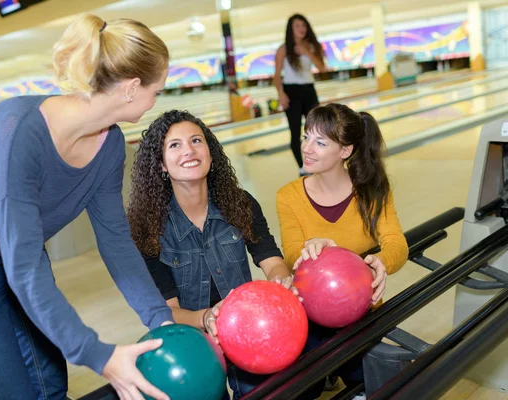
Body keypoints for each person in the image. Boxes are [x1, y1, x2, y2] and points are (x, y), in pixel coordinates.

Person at [0, 15, 176, 400]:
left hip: (13, 255)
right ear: (132, 88)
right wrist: (99, 355)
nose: (157, 100)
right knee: (14, 393)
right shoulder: (19, 133)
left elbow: (117, 243)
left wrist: (160, 321)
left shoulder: (110, 147)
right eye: (158, 90)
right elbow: (24, 266)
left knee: (50, 382)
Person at [127, 110, 297, 399]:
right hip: (193, 341)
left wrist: (281, 281)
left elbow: (273, 262)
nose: (189, 150)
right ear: (161, 164)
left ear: (210, 151)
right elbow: (167, 312)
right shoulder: (148, 229)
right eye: (175, 145)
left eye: (196, 140)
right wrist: (207, 318)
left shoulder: (240, 204)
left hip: (248, 327)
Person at [276, 103, 409, 398]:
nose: (307, 148)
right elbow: (291, 253)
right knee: (298, 388)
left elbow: (397, 244)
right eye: (306, 137)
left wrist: (379, 262)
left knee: (377, 383)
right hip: (310, 310)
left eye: (321, 142)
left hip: (359, 308)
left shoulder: (372, 190)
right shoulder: (288, 195)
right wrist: (309, 250)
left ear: (345, 151)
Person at [273, 14, 326, 176]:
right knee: (295, 133)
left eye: (303, 25)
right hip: (291, 92)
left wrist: (307, 53)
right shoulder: (283, 49)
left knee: (318, 130)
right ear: (291, 29)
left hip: (309, 91)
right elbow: (276, 75)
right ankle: (303, 167)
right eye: (297, 26)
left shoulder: (311, 46)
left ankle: (319, 163)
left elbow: (323, 69)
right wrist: (281, 94)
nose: (301, 29)